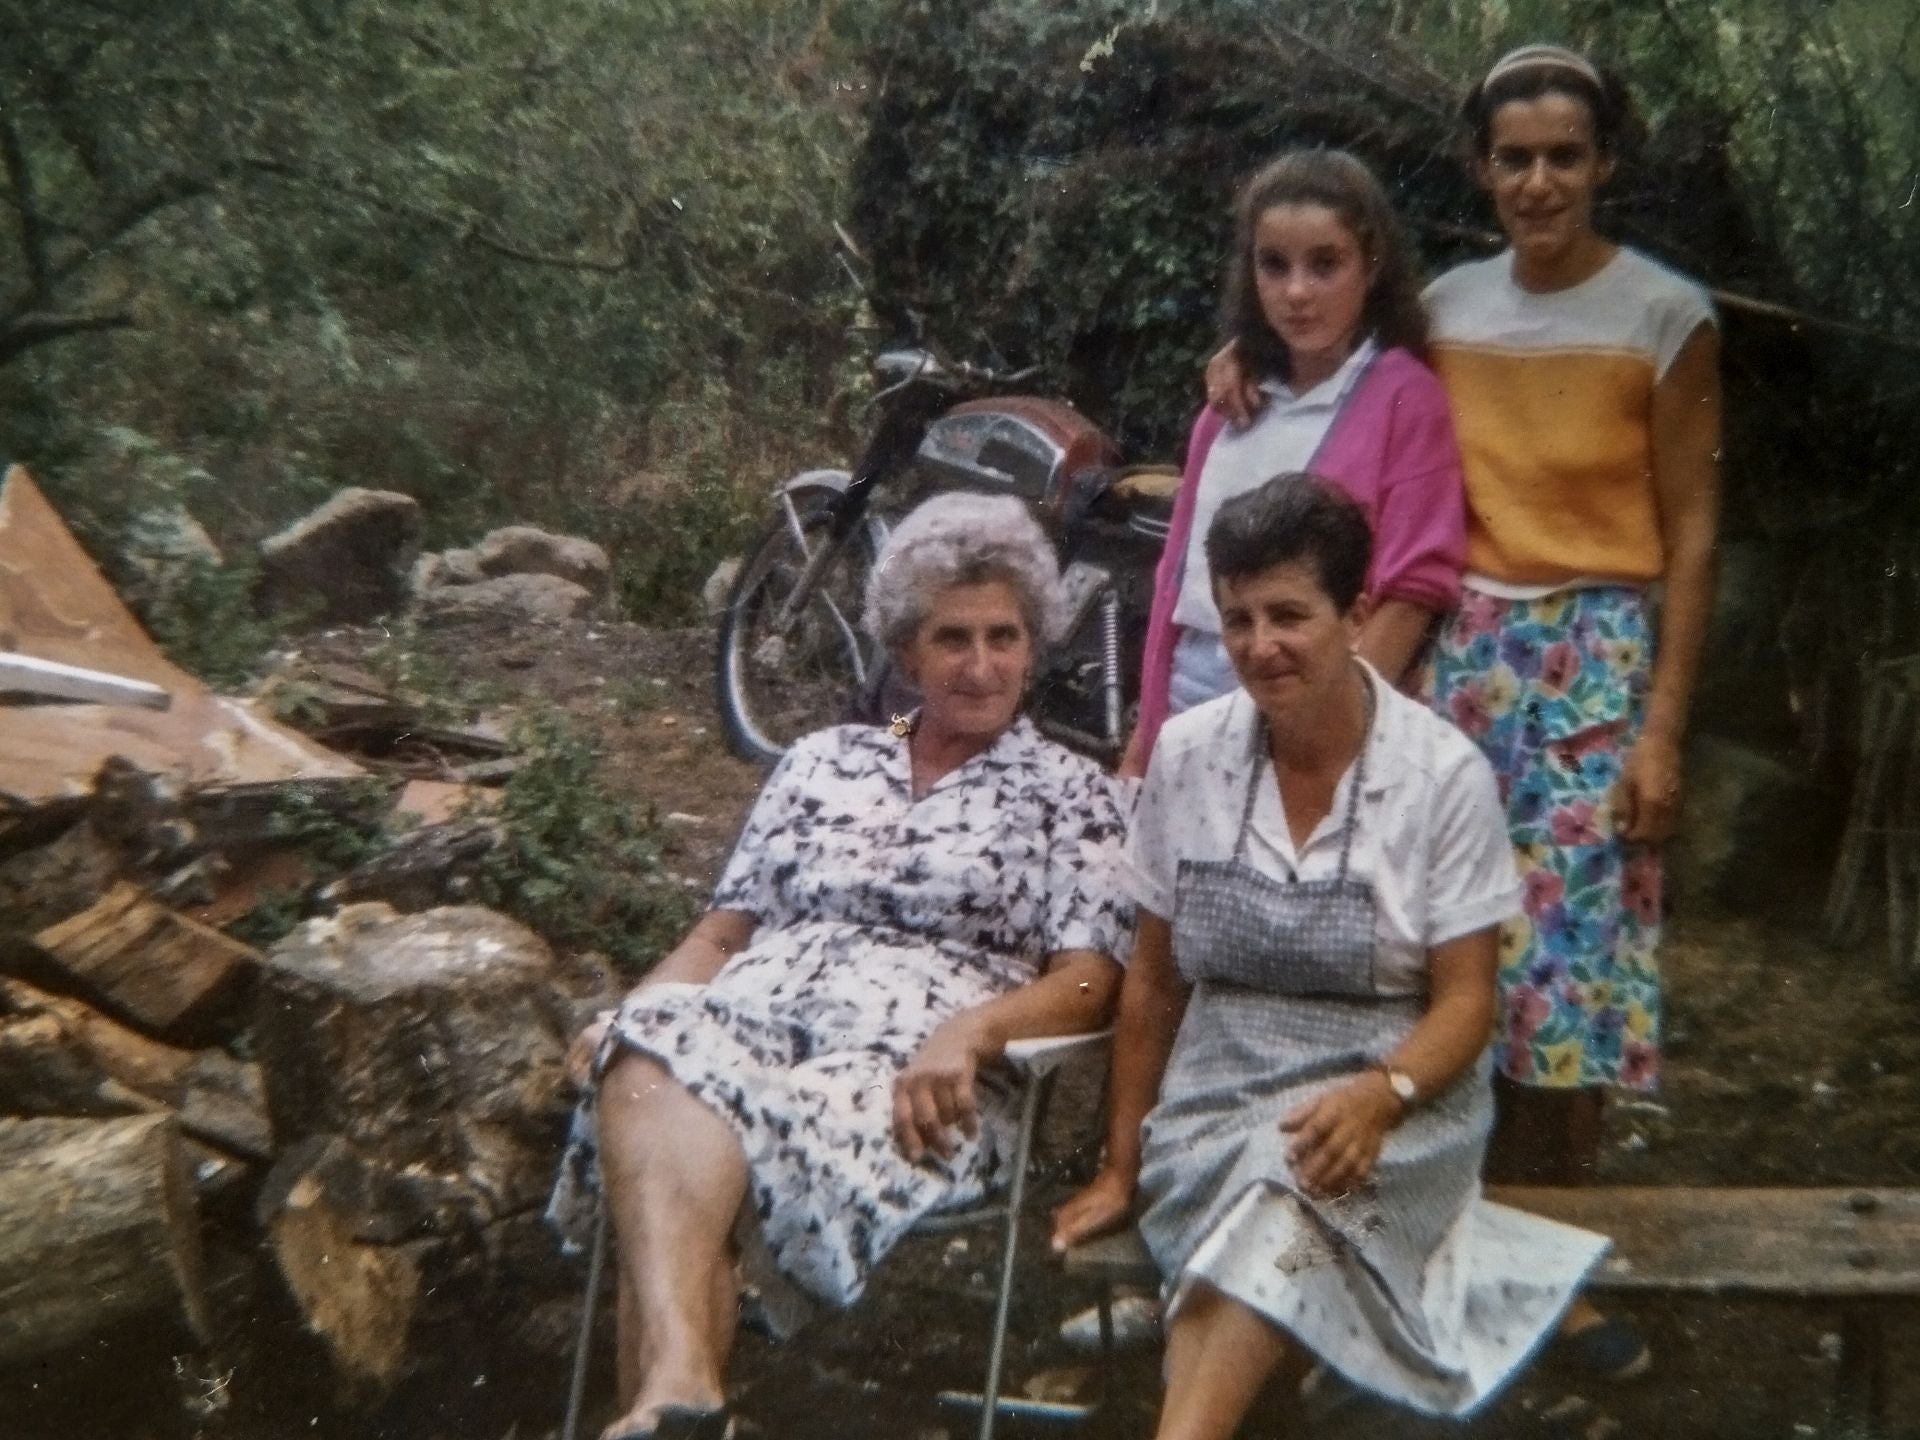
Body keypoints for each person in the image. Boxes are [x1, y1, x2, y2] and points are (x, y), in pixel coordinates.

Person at [1205, 44, 1721, 1378]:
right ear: (1483, 170)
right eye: (1514, 158)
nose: (1538, 181)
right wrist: (1237, 361)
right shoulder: (1446, 303)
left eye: (1564, 156)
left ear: (1604, 164)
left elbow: (1697, 528)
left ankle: (1557, 1266)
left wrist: (1661, 726)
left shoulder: (1666, 315)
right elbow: (1350, 375)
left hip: (1595, 660)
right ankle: (1420, 1232)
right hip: (1457, 654)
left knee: (1565, 973)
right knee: (1425, 943)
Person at [548, 492, 1134, 1440]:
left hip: (918, 1076)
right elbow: (720, 938)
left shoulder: (1072, 793)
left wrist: (971, 1031)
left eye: (1004, 637)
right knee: (646, 1049)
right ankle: (684, 1395)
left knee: (687, 1139)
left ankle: (671, 1400)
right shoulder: (828, 758)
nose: (981, 665)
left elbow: (1088, 980)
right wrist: (636, 1010)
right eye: (952, 639)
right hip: (746, 1021)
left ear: (1034, 647)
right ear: (906, 651)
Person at [1052, 475, 1606, 1440]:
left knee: (1289, 1189)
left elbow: (1466, 1005)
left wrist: (1379, 1094)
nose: (1260, 647)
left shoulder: (1440, 775)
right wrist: (1119, 1161)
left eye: (1289, 616)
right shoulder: (1187, 756)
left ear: (1356, 615)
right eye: (1238, 619)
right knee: (1271, 1196)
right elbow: (1153, 980)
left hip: (1401, 1104)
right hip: (1218, 1094)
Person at [1127, 147, 1467, 778]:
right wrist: (1145, 743)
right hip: (1188, 702)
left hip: (1306, 718)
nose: (1297, 292)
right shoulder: (1228, 407)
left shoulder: (1405, 398)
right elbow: (1177, 587)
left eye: (1325, 264)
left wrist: (1317, 737)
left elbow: (1414, 590)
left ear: (1372, 264)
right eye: (1274, 265)